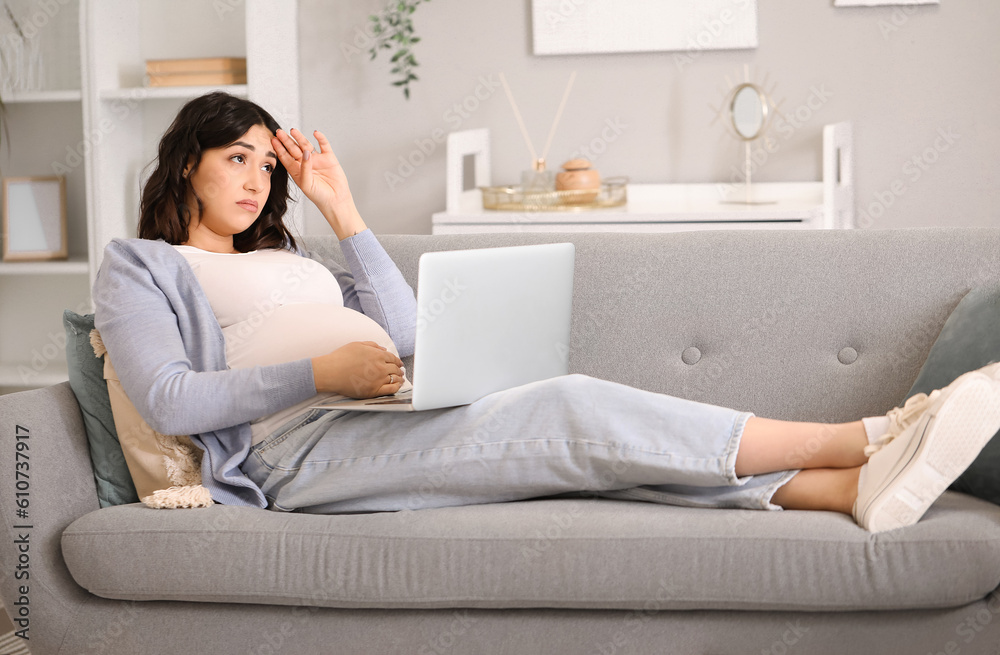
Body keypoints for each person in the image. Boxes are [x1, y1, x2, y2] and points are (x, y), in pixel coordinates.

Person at [93, 91, 1000, 534]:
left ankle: (847, 492)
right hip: (295, 451)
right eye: (237, 159)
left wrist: (343, 212)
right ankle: (867, 436)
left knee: (585, 456)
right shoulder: (144, 266)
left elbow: (408, 341)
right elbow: (171, 398)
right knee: (567, 409)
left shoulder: (291, 257)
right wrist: (321, 373)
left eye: (267, 165)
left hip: (382, 412)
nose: (257, 181)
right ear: (186, 165)